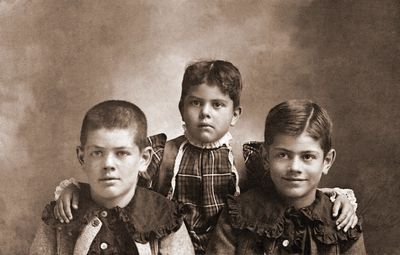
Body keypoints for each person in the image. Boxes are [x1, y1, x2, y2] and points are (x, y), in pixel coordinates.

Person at [52, 60, 357, 254]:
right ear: (182, 108)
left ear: (235, 113)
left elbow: (292, 184)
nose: (205, 113)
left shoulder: (248, 157)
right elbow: (115, 178)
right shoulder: (161, 153)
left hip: (236, 246)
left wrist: (336, 196)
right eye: (196, 103)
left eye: (218, 105)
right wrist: (72, 189)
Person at [30, 100, 194, 255]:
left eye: (122, 153)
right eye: (97, 153)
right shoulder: (60, 215)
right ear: (82, 157)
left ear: (143, 159)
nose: (108, 164)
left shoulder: (164, 217)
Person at [206, 99, 366, 254]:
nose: (295, 168)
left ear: (327, 161)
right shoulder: (238, 215)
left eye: (307, 157)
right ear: (266, 157)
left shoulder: (343, 224)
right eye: (283, 155)